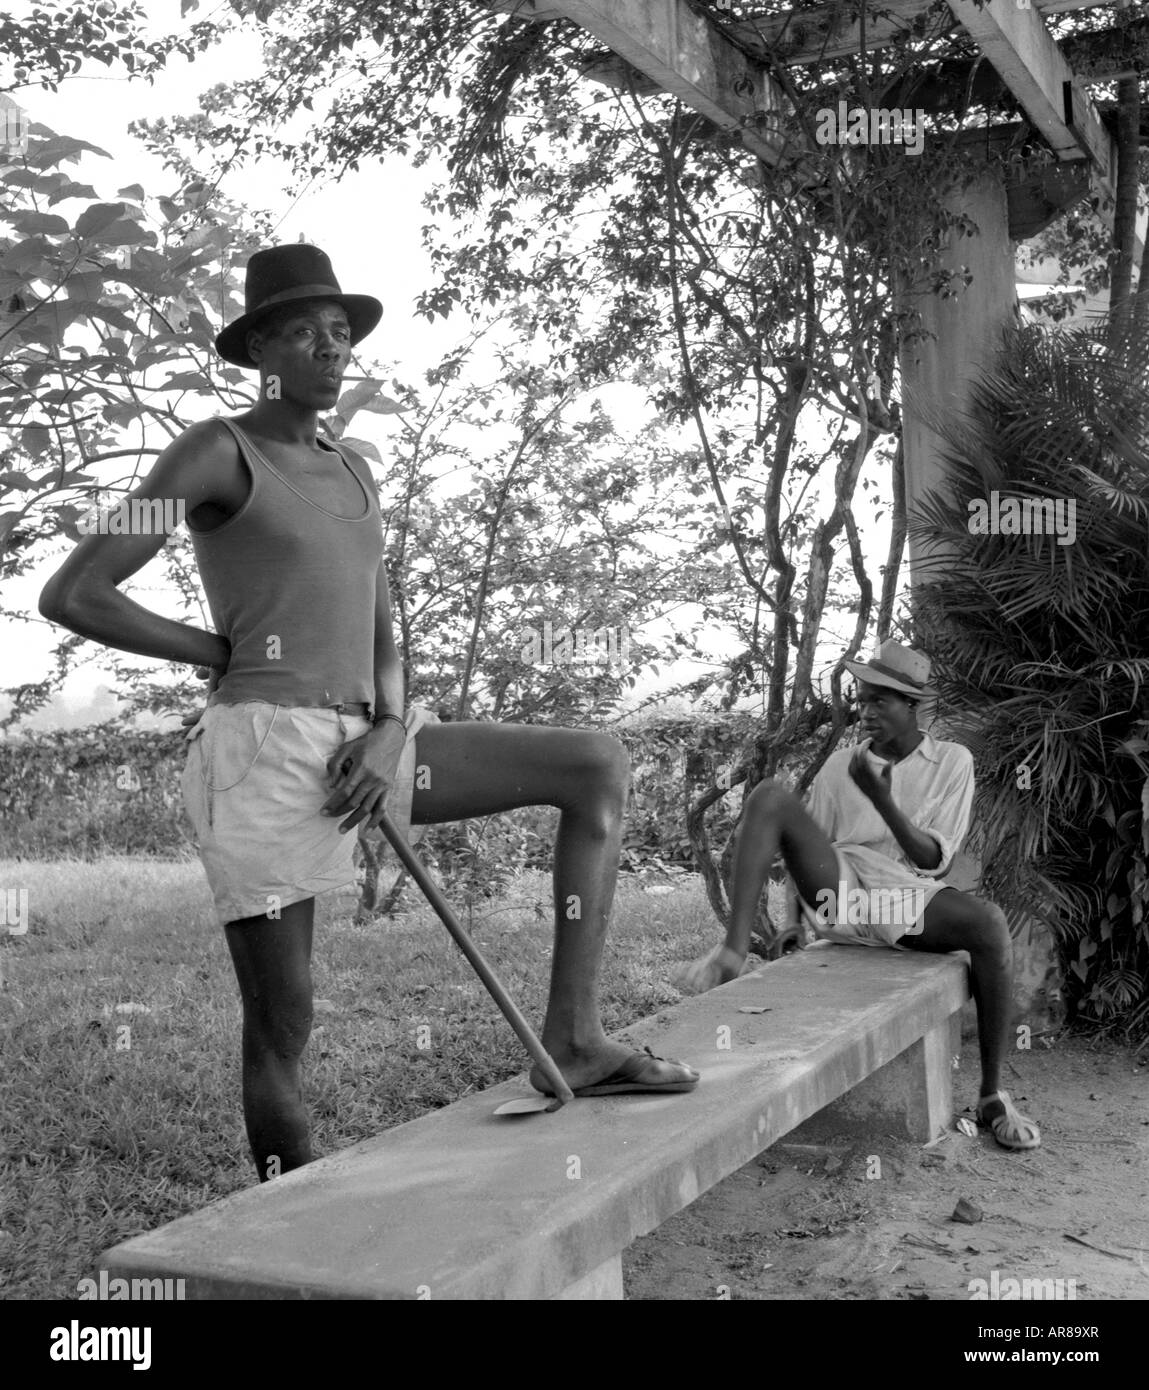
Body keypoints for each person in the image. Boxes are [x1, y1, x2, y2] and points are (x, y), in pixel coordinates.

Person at [39, 244, 698, 1181]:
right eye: (302, 331)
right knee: (285, 1021)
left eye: (340, 332)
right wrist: (216, 650)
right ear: (260, 347)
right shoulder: (212, 454)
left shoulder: (352, 471)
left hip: (367, 749)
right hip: (264, 753)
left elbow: (381, 627)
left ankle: (579, 1038)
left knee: (594, 764)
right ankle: (288, 1223)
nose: (328, 348)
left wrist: (390, 730)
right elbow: (77, 592)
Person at [675, 639, 1040, 1151]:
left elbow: (934, 861)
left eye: (879, 701)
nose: (864, 711)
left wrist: (883, 800)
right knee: (769, 796)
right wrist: (794, 921)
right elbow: (810, 849)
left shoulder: (952, 762)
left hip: (905, 895)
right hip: (842, 897)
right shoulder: (839, 766)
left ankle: (991, 1094)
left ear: (913, 707)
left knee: (989, 924)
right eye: (861, 699)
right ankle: (732, 950)